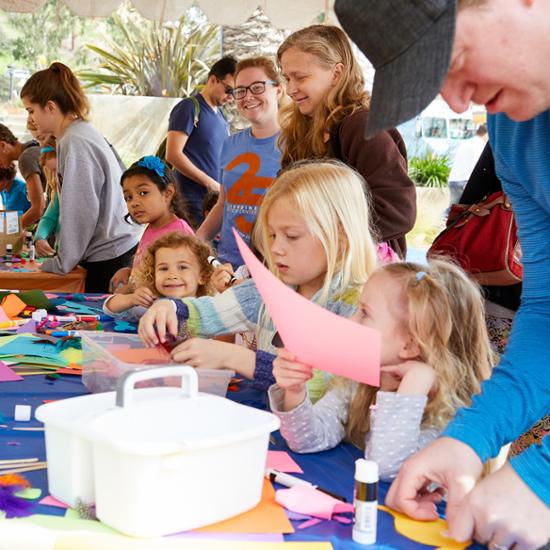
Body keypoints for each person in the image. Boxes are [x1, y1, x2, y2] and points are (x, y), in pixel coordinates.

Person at [334, 0, 550, 548]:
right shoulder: (514, 132)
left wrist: (541, 478)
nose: (455, 102)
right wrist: (468, 439)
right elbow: (546, 309)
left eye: (451, 57)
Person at [138, 160, 378, 402]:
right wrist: (169, 310)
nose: (275, 248)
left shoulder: (360, 308)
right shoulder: (268, 291)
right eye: (272, 235)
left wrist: (236, 358)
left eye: (291, 236)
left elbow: (317, 388)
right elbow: (205, 314)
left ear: (341, 237)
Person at [270, 259, 493, 481]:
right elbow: (308, 440)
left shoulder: (447, 414)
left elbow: (386, 469)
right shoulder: (358, 382)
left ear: (411, 345)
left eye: (365, 313)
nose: (350, 320)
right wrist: (295, 390)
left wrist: (413, 386)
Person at [276, 25, 416, 258]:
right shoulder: (303, 128)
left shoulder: (361, 126)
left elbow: (397, 209)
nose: (290, 89)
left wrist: (323, 238)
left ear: (337, 74)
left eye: (300, 77)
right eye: (287, 78)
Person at [20, 62, 140, 293]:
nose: (32, 119)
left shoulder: (75, 141)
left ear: (50, 107)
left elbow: (80, 209)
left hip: (110, 257)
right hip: (114, 248)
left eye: (31, 110)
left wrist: (63, 261)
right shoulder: (77, 133)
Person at [197, 56, 283, 276]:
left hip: (272, 268)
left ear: (278, 90)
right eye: (240, 90)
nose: (248, 97)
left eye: (257, 87)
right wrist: (195, 241)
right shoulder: (231, 144)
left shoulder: (296, 145)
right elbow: (225, 203)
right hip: (227, 266)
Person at [166, 57, 237, 227]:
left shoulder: (221, 116)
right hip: (191, 202)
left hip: (213, 203)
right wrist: (209, 183)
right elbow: (173, 154)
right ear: (213, 80)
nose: (231, 97)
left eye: (236, 92)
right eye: (229, 90)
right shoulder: (189, 107)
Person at [109, 156, 194, 293]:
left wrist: (130, 290)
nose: (134, 203)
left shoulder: (177, 232)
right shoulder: (151, 228)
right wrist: (130, 272)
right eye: (128, 197)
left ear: (168, 193)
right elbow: (151, 269)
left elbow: (177, 282)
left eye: (143, 193)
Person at [104, 232, 213, 321]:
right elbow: (109, 309)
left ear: (202, 276)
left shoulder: (210, 309)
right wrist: (131, 299)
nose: (172, 275)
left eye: (182, 267)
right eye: (164, 268)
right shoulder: (153, 305)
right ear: (153, 274)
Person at [0, 124, 45, 228]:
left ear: (2, 146)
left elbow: (38, 208)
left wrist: (8, 232)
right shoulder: (32, 148)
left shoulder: (25, 158)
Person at [448, 124, 488, 207]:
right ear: (486, 134)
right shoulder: (480, 145)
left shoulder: (467, 142)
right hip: (464, 181)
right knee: (462, 209)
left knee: (454, 209)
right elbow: (477, 165)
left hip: (454, 179)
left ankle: (445, 217)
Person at [34, 137, 61, 258]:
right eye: (52, 172)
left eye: (57, 170)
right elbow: (49, 217)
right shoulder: (59, 193)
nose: (55, 176)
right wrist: (39, 238)